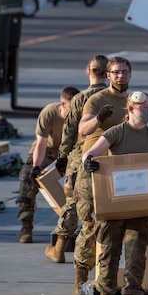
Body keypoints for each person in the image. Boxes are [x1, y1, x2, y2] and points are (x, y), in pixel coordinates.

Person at [82, 91, 148, 295]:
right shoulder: (116, 132)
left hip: (141, 208)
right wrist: (89, 162)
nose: (145, 111)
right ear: (130, 109)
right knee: (109, 253)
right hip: (115, 205)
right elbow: (91, 153)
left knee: (136, 256)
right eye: (141, 107)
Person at [71, 56, 133, 295]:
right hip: (93, 172)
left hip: (119, 173)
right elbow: (82, 130)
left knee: (114, 230)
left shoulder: (132, 100)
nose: (120, 76)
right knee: (90, 227)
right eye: (116, 72)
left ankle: (107, 280)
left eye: (124, 72)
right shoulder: (97, 100)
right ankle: (80, 279)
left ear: (130, 74)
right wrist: (99, 118)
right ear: (108, 75)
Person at [45, 55, 109, 265]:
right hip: (110, 154)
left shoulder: (80, 98)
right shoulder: (113, 96)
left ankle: (60, 248)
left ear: (88, 71)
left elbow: (69, 130)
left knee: (73, 201)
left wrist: (62, 157)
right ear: (107, 73)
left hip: (81, 155)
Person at [16, 85, 80, 244]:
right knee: (27, 179)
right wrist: (36, 167)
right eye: (71, 108)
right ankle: (26, 227)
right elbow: (41, 144)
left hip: (71, 152)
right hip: (49, 151)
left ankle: (73, 228)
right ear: (63, 105)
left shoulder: (80, 114)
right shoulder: (49, 113)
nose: (75, 112)